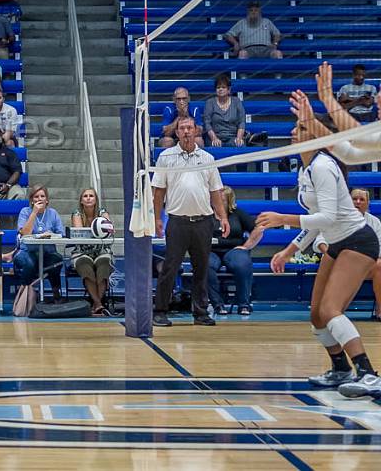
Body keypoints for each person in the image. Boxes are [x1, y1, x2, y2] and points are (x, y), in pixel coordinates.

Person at [259, 97, 381, 398]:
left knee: (330, 309)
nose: (292, 132)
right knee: (316, 314)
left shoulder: (324, 166)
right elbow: (318, 223)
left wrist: (281, 218)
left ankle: (368, 373)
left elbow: (326, 217)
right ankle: (340, 368)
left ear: (315, 135)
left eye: (300, 127)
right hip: (337, 242)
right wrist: (288, 251)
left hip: (358, 240)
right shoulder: (306, 170)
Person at [151, 116, 229, 327]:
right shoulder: (166, 157)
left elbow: (216, 192)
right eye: (182, 128)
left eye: (189, 128)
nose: (186, 131)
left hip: (203, 222)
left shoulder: (207, 158)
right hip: (177, 222)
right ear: (176, 133)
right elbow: (158, 192)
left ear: (196, 131)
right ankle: (160, 310)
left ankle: (201, 312)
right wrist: (157, 218)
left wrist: (222, 216)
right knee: (170, 267)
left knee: (201, 268)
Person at [206, 186, 262, 316]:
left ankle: (243, 304)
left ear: (229, 201)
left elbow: (258, 229)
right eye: (216, 200)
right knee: (205, 265)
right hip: (211, 250)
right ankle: (218, 305)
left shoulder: (237, 213)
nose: (218, 203)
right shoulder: (206, 214)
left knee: (242, 264)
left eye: (222, 201)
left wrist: (247, 246)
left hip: (234, 249)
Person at [11, 184, 66, 301]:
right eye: (36, 197)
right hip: (27, 251)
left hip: (48, 252)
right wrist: (34, 213)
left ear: (47, 200)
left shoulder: (53, 213)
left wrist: (51, 235)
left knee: (57, 260)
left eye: (42, 196)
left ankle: (56, 294)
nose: (39, 199)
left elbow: (61, 234)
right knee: (30, 264)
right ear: (31, 200)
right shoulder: (25, 212)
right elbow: (25, 233)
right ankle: (24, 295)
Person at [70, 188, 115, 315]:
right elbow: (80, 233)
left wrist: (107, 228)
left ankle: (96, 304)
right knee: (86, 267)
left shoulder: (103, 212)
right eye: (85, 196)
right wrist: (98, 230)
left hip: (101, 250)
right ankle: (99, 304)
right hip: (82, 251)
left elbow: (109, 228)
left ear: (96, 200)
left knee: (104, 266)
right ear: (81, 200)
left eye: (91, 196)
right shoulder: (77, 213)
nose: (88, 198)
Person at [350, 189, 381, 322]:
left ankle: (380, 307)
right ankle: (331, 310)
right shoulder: (337, 218)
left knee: (379, 265)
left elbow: (380, 248)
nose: (358, 202)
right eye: (354, 199)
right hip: (341, 264)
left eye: (362, 199)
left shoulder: (375, 222)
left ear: (368, 204)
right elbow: (320, 241)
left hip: (367, 265)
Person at [204, 74, 249, 148]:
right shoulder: (210, 102)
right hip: (214, 136)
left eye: (223, 87)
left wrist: (239, 138)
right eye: (218, 87)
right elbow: (207, 123)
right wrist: (214, 138)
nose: (220, 89)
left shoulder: (236, 101)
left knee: (240, 145)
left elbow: (242, 122)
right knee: (215, 146)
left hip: (233, 136)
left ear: (229, 90)